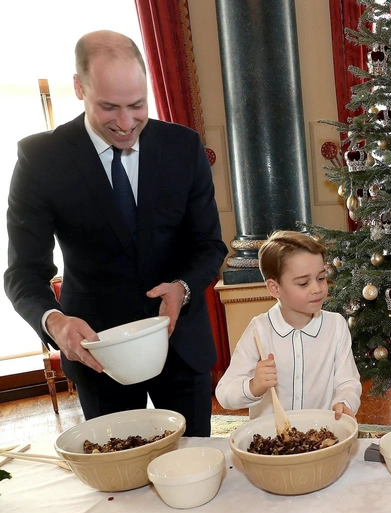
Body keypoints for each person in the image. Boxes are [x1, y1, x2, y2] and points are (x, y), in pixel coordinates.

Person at [4, 31, 228, 437]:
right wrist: (55, 323)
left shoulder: (184, 147)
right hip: (97, 355)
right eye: (109, 107)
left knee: (195, 474)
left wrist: (183, 287)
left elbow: (209, 246)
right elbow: (22, 272)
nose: (126, 124)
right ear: (78, 88)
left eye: (137, 106)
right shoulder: (41, 160)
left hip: (180, 347)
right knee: (119, 485)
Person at [215, 231, 362, 420]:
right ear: (274, 288)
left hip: (320, 436)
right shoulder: (258, 330)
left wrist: (344, 402)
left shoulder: (336, 326)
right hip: (272, 442)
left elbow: (348, 382)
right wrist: (253, 386)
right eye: (303, 283)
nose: (317, 288)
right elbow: (224, 393)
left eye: (321, 278)